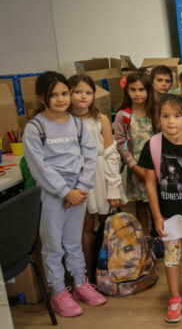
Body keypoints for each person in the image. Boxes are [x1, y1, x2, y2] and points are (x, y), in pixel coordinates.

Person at [23, 71, 106, 317]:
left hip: (78, 192)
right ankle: (59, 291)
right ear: (42, 98)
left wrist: (81, 188)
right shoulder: (35, 127)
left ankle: (80, 284)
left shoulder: (77, 123)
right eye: (54, 95)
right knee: (52, 246)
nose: (61, 99)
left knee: (73, 242)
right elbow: (39, 166)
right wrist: (64, 192)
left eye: (64, 93)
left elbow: (90, 157)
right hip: (53, 194)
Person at [140, 94, 182, 322]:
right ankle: (175, 298)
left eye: (176, 116)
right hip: (167, 214)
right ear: (158, 118)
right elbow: (150, 184)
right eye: (165, 116)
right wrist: (157, 217)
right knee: (171, 258)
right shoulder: (152, 145)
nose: (171, 121)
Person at [68, 75, 126, 278]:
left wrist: (113, 187)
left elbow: (111, 154)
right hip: (77, 178)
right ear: (69, 93)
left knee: (108, 223)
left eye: (88, 92)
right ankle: (89, 274)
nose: (83, 96)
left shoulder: (100, 119)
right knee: (85, 227)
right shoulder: (64, 121)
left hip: (100, 175)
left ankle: (110, 270)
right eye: (78, 91)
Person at [114, 72, 156, 238]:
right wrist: (135, 167)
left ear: (148, 91)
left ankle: (159, 236)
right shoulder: (123, 116)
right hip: (136, 167)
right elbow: (121, 143)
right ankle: (145, 238)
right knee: (141, 204)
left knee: (157, 203)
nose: (138, 93)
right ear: (127, 91)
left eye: (141, 89)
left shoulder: (155, 113)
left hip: (156, 167)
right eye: (133, 90)